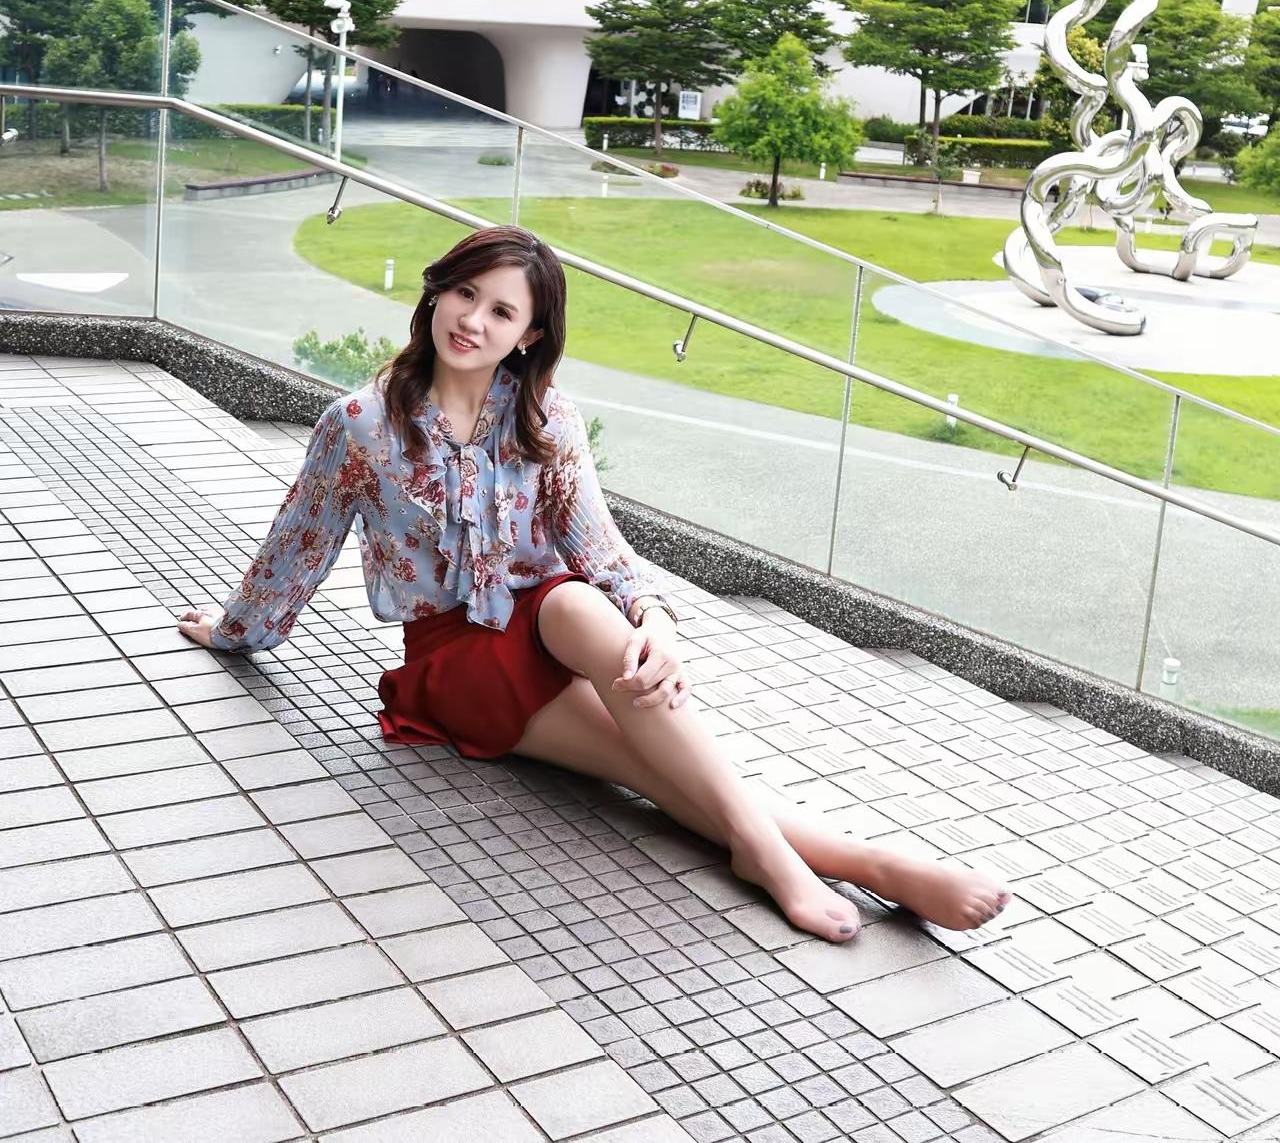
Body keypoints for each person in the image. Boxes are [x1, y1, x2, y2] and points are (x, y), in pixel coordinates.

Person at [178, 225, 1009, 944]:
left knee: (576, 601)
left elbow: (598, 547)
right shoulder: (360, 426)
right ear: (435, 293)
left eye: (501, 311)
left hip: (557, 629)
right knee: (649, 765)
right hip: (456, 660)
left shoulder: (546, 418)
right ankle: (859, 863)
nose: (472, 320)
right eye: (464, 294)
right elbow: (299, 544)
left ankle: (804, 857)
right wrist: (234, 630)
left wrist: (657, 620)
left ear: (530, 334)